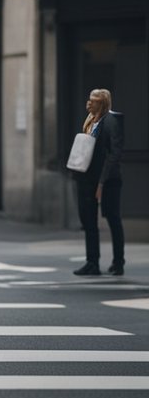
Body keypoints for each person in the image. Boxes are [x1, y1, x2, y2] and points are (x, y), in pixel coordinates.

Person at [73, 88, 124, 276]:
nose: (88, 103)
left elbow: (114, 154)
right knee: (88, 220)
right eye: (89, 99)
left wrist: (102, 183)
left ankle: (118, 262)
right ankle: (92, 262)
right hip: (88, 178)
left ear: (102, 104)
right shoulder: (89, 120)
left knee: (113, 218)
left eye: (93, 101)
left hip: (107, 179)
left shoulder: (111, 122)